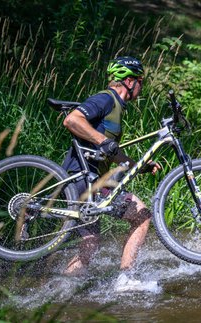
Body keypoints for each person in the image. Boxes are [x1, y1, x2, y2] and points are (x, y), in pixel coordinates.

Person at [61, 56, 160, 291]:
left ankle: (60, 289)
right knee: (142, 215)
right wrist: (101, 140)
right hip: (82, 177)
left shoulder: (116, 108)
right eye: (140, 82)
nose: (141, 87)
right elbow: (72, 120)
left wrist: (140, 165)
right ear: (128, 81)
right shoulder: (105, 99)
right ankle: (125, 279)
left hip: (94, 180)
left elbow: (111, 152)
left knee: (91, 241)